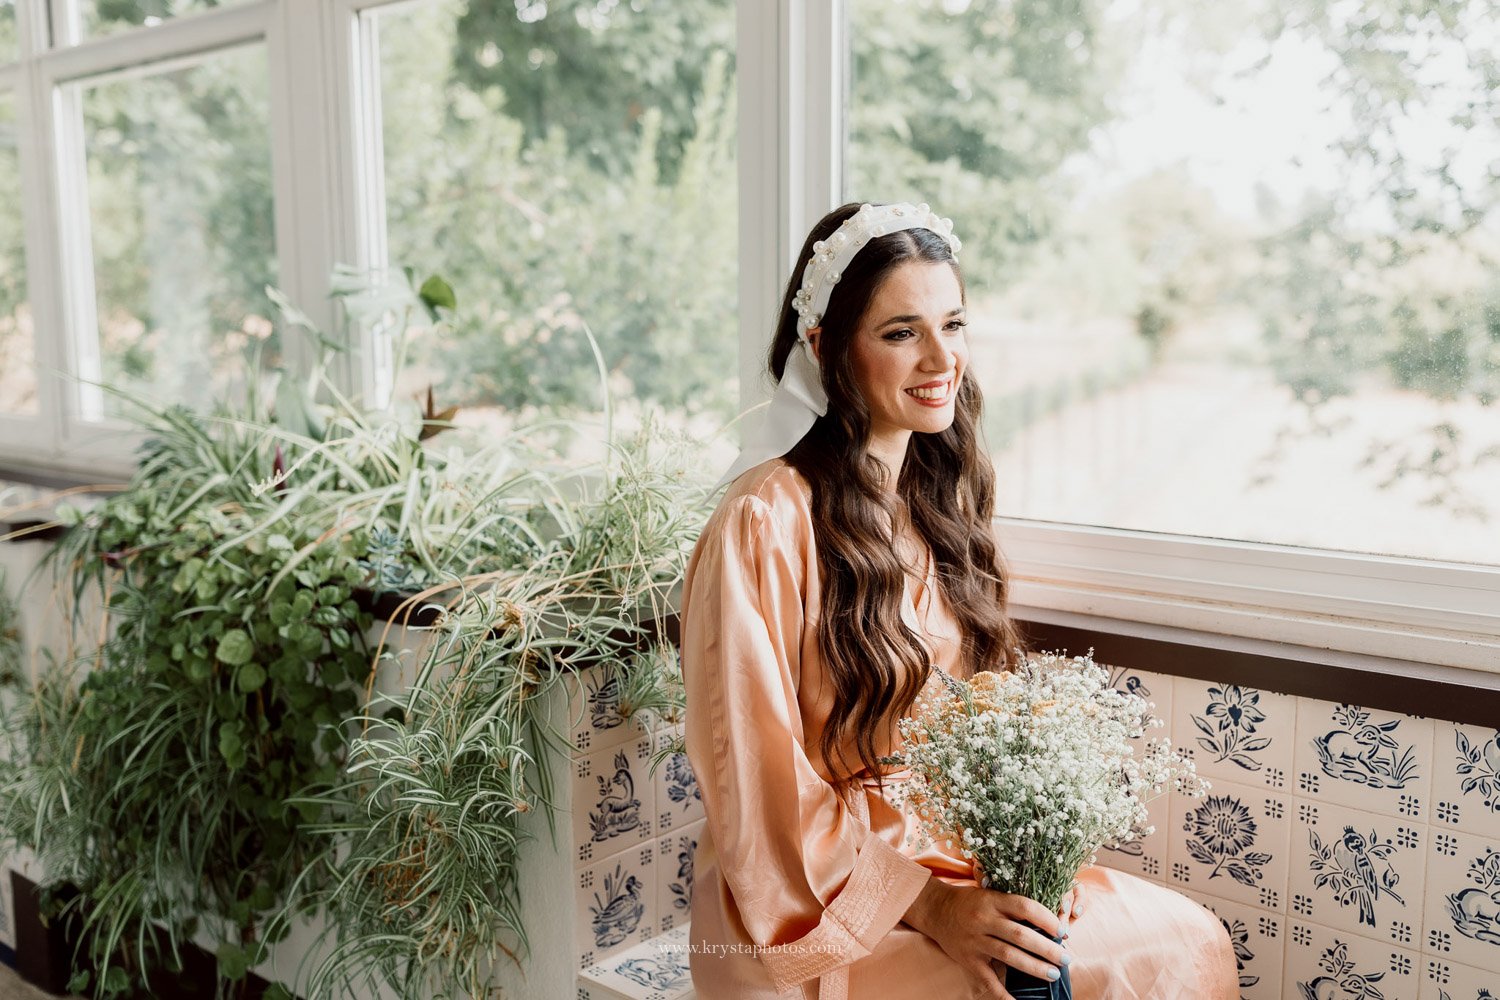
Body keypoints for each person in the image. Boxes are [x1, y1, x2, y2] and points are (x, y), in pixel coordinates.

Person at [678, 202, 1238, 1000]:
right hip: (811, 891)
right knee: (1005, 989)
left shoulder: (938, 501)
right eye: (901, 332)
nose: (942, 357)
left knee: (1182, 940)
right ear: (824, 348)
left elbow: (982, 728)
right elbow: (756, 783)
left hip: (953, 854)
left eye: (954, 323)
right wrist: (936, 907)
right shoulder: (763, 519)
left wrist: (1024, 862)